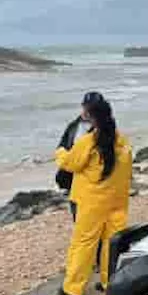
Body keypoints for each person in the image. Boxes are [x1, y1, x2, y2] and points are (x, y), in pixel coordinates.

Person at [55, 98, 132, 295]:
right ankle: (110, 282)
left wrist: (61, 152)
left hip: (92, 201)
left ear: (90, 117)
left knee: (84, 242)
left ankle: (73, 286)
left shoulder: (88, 141)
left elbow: (70, 163)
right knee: (112, 242)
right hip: (117, 200)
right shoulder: (121, 140)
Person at [56, 91, 104, 220]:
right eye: (86, 107)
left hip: (92, 181)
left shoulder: (105, 130)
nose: (87, 111)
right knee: (77, 216)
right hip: (72, 179)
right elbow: (62, 145)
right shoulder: (74, 125)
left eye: (92, 108)